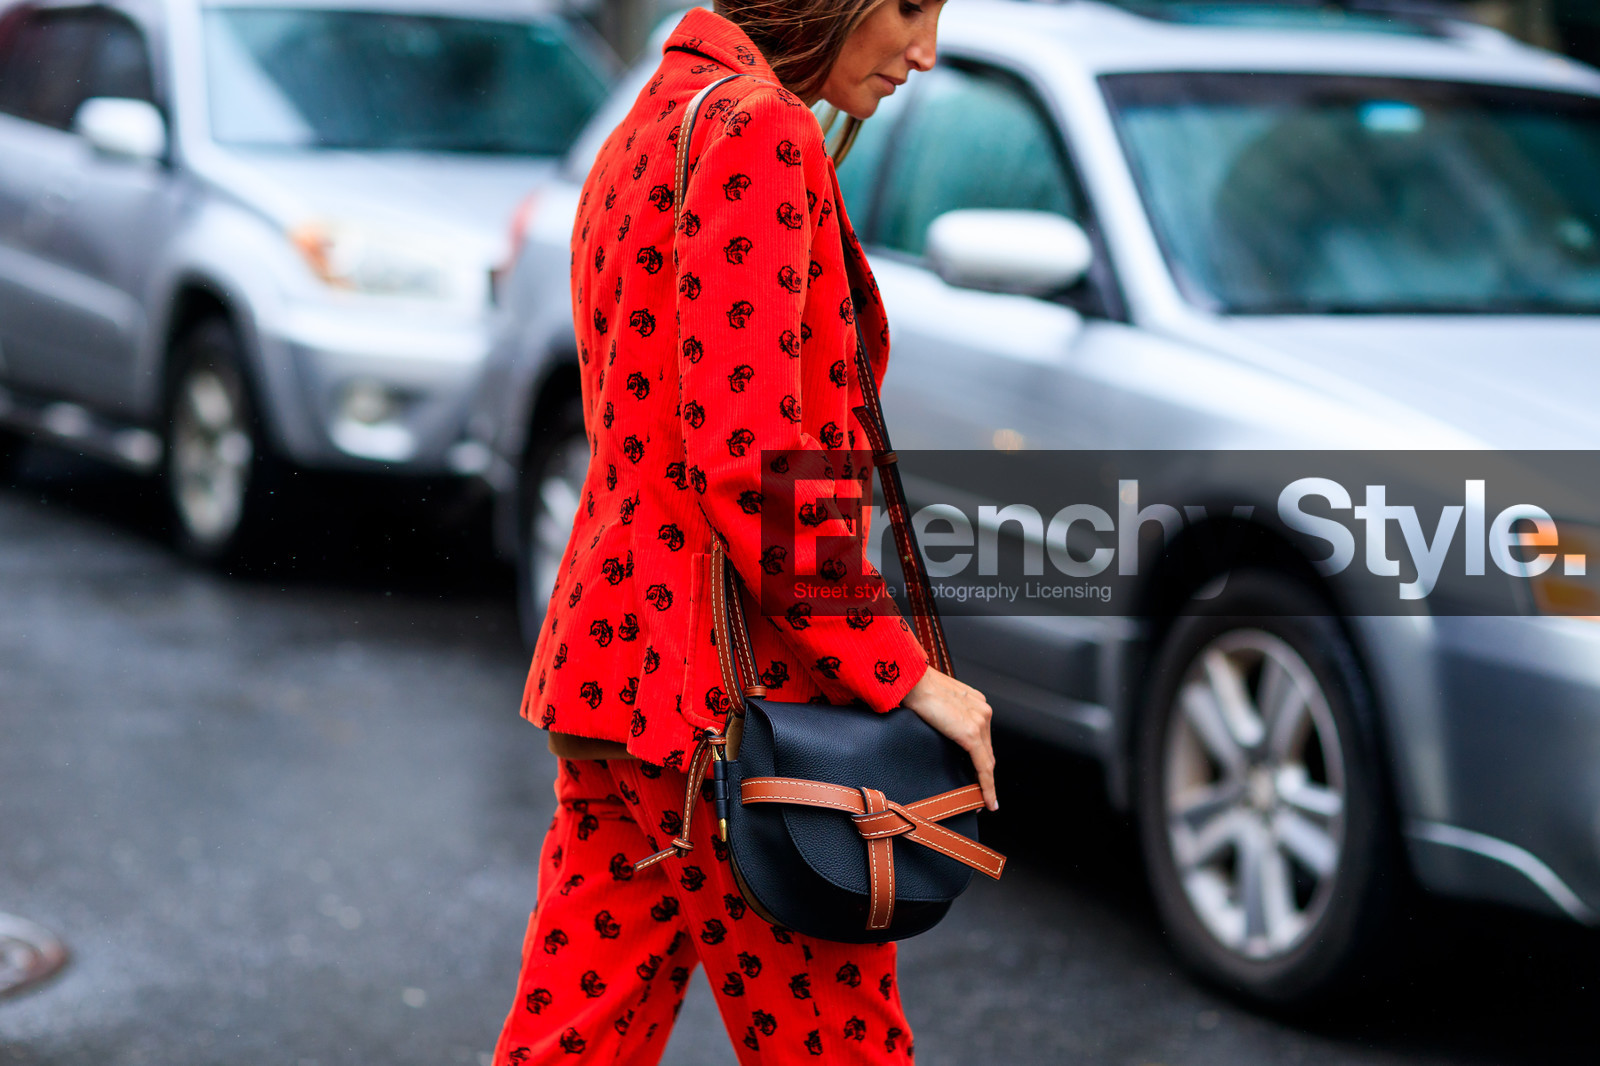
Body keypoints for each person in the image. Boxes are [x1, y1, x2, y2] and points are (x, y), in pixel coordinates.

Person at [491, 0, 996, 1060]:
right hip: (731, 705)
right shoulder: (758, 129)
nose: (926, 50)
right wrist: (903, 673)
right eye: (908, 7)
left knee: (577, 1035)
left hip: (614, 669)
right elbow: (754, 465)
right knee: (840, 1044)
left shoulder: (655, 114)